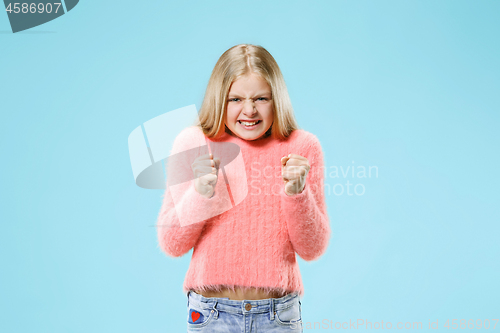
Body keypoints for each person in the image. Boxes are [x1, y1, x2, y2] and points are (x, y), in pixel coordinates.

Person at [156, 44, 331, 332]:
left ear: (277, 99)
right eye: (235, 98)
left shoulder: (302, 147)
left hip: (278, 315)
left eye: (261, 98)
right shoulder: (193, 143)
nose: (249, 110)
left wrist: (297, 192)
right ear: (218, 98)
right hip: (211, 314)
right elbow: (172, 244)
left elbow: (312, 249)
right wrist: (201, 192)